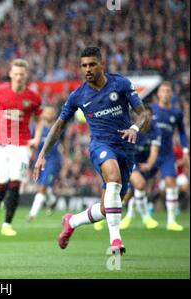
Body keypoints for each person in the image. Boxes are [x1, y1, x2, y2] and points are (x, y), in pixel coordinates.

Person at [33, 47, 150, 254]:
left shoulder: (120, 84)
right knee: (112, 176)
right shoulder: (78, 95)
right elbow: (59, 125)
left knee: (108, 207)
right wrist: (42, 154)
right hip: (100, 146)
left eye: (92, 64)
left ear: (101, 65)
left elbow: (143, 115)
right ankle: (116, 241)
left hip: (126, 147)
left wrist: (134, 128)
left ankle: (72, 221)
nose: (87, 69)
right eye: (84, 65)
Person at [0, 58, 43, 236]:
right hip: (1, 145)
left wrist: (36, 138)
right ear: (10, 74)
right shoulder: (0, 92)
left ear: (26, 76)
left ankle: (7, 224)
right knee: (1, 184)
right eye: (15, 74)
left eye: (21, 75)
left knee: (16, 182)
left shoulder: (33, 97)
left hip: (22, 145)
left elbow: (40, 119)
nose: (18, 77)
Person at [151, 82, 189, 231]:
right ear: (158, 94)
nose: (166, 93)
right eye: (163, 91)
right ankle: (129, 215)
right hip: (149, 154)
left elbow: (182, 133)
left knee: (171, 182)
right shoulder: (151, 110)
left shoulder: (177, 113)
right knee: (138, 184)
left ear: (171, 94)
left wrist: (185, 150)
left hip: (167, 154)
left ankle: (171, 221)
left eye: (168, 91)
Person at [118, 105, 160, 229]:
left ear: (152, 117)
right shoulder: (131, 128)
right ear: (138, 117)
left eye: (148, 116)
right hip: (129, 160)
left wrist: (149, 164)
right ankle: (146, 217)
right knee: (140, 185)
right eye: (143, 116)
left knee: (130, 193)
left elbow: (154, 150)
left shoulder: (156, 130)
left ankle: (108, 214)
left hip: (144, 163)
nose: (145, 119)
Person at [28, 106, 62, 221]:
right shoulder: (36, 128)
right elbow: (31, 143)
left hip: (53, 161)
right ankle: (52, 201)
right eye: (46, 112)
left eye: (50, 112)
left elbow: (65, 143)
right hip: (38, 161)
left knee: (42, 187)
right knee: (42, 186)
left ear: (54, 114)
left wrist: (66, 159)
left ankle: (32, 214)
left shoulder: (58, 128)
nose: (48, 114)